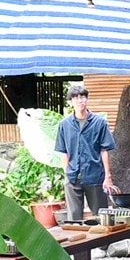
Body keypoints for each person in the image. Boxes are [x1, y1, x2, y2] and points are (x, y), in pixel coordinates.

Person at [54, 85, 117, 222]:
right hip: (73, 176)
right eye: (75, 98)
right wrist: (67, 172)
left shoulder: (99, 122)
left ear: (87, 100)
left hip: (95, 175)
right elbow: (63, 151)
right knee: (73, 218)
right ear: (70, 102)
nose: (79, 100)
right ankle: (78, 243)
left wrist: (108, 176)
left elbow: (104, 150)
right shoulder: (64, 125)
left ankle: (102, 244)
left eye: (82, 97)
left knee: (101, 216)